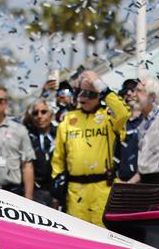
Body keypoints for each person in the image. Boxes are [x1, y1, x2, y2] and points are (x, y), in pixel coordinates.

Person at [50, 70, 129, 226]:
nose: (84, 98)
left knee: (105, 236)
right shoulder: (68, 120)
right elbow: (58, 156)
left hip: (103, 188)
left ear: (99, 95)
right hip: (76, 191)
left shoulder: (108, 116)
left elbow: (123, 113)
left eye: (90, 93)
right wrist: (56, 179)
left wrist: (100, 85)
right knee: (80, 237)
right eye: (81, 93)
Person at [22, 99, 57, 207]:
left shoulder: (60, 132)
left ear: (51, 115)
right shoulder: (27, 135)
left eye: (43, 112)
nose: (39, 116)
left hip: (58, 191)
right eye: (35, 113)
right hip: (36, 191)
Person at [114, 79, 143, 183]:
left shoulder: (149, 120)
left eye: (132, 90)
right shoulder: (118, 122)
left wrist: (134, 180)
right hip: (121, 182)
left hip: (145, 181)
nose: (129, 93)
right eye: (125, 91)